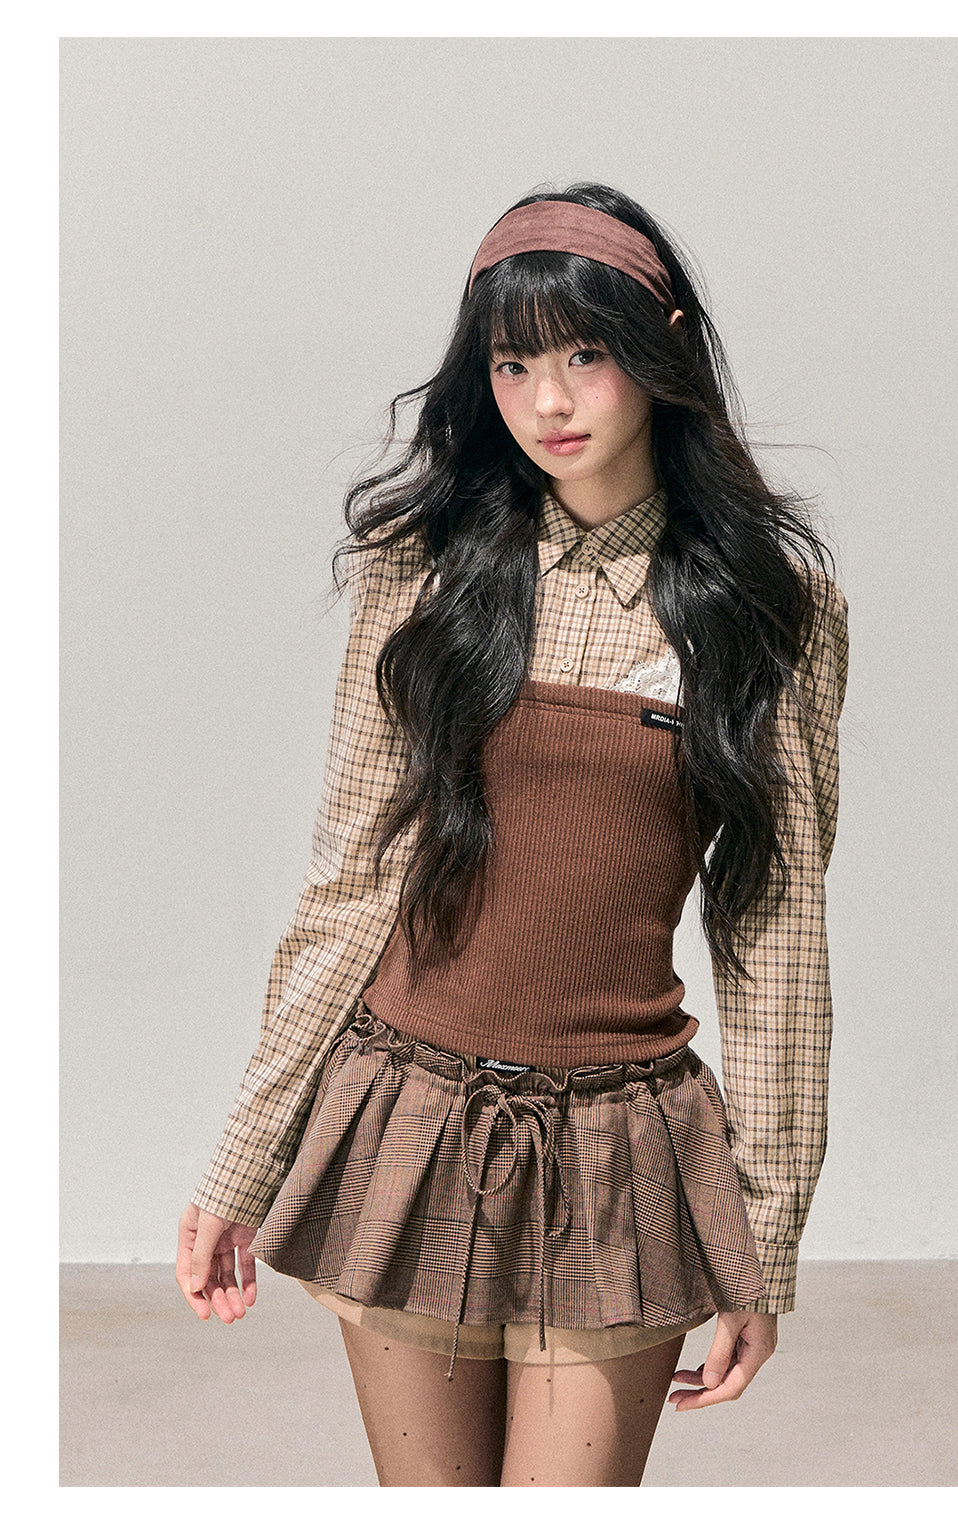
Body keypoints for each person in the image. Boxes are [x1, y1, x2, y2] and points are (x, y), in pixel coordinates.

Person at [175, 182, 850, 1488]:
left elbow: (775, 934)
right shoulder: (419, 569)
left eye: (587, 355)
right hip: (406, 1117)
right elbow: (350, 885)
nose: (548, 401)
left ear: (662, 349)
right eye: (512, 364)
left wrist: (763, 1243)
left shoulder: (770, 606)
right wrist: (243, 1160)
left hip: (620, 1150)